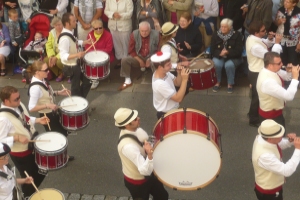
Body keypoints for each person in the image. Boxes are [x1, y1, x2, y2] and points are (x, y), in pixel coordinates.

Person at [0, 86, 49, 198]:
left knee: (40, 171)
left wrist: (37, 120)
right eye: (16, 99)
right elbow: (0, 142)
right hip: (21, 154)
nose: (19, 100)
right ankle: (28, 195)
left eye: (19, 97)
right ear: (6, 101)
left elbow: (24, 119)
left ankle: (31, 192)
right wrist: (16, 138)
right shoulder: (3, 119)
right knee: (29, 177)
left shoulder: (18, 105)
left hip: (31, 147)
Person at [114, 107, 169, 199]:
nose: (138, 118)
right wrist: (150, 154)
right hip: (137, 182)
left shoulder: (134, 130)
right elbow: (144, 170)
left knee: (162, 196)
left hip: (150, 175)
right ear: (127, 125)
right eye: (135, 119)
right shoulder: (128, 146)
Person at [246, 21, 282, 127]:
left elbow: (264, 43)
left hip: (255, 71)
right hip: (257, 72)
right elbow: (270, 57)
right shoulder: (255, 46)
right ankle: (253, 119)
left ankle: (252, 114)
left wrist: (270, 39)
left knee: (255, 95)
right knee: (257, 97)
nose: (265, 32)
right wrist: (277, 43)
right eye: (263, 31)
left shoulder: (252, 38)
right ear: (256, 33)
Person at [252, 119, 300, 200]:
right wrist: (298, 150)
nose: (282, 135)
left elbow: (278, 144)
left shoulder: (263, 138)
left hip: (271, 188)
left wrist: (290, 141)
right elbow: (287, 170)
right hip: (269, 193)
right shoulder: (264, 156)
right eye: (280, 135)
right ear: (270, 139)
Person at [257, 52, 299, 127]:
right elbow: (289, 96)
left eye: (281, 62)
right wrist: (295, 78)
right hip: (271, 117)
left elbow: (286, 77)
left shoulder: (271, 70)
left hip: (276, 113)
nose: (282, 64)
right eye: (279, 63)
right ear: (270, 65)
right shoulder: (268, 82)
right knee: (277, 137)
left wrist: (289, 72)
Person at [118, 21, 160, 91]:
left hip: (152, 56)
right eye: (142, 31)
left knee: (158, 61)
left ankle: (158, 79)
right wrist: (139, 60)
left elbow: (159, 50)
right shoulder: (134, 34)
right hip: (139, 56)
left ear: (150, 30)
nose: (144, 33)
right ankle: (127, 80)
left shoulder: (156, 34)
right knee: (125, 60)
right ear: (139, 29)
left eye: (146, 31)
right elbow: (131, 50)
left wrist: (150, 59)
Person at [58, 12, 92, 98]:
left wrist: (84, 42)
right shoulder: (64, 39)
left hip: (76, 64)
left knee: (88, 81)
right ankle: (78, 105)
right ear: (67, 23)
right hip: (71, 67)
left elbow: (74, 42)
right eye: (73, 21)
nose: (76, 22)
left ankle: (80, 101)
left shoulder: (70, 32)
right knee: (75, 88)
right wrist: (77, 55)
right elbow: (63, 56)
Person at [151, 51, 190, 119]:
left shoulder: (165, 73)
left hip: (172, 110)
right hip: (166, 114)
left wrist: (179, 73)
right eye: (168, 65)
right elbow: (178, 99)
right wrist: (184, 80)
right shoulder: (159, 84)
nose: (171, 66)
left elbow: (177, 83)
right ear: (160, 67)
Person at [210, 18, 243, 93]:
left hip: (233, 57)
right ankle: (217, 82)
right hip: (219, 56)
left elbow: (239, 50)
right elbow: (212, 49)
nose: (223, 28)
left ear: (230, 27)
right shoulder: (216, 34)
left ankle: (230, 83)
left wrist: (228, 52)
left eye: (225, 27)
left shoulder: (237, 35)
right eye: (222, 26)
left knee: (229, 65)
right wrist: (219, 53)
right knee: (216, 64)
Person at [85, 19, 114, 89]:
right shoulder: (90, 35)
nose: (98, 30)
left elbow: (109, 49)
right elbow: (87, 47)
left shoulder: (108, 35)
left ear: (103, 27)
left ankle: (95, 78)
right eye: (96, 28)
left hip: (106, 55)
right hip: (93, 55)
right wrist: (95, 53)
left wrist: (97, 52)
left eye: (100, 28)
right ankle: (93, 78)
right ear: (93, 28)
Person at [104, 0, 133, 69]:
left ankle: (127, 61)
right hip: (113, 26)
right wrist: (113, 14)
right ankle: (120, 61)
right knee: (117, 44)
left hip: (124, 26)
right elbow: (106, 11)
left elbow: (130, 13)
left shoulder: (128, 1)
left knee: (126, 44)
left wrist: (120, 15)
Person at [275, 0, 300, 66]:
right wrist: (279, 21)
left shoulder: (298, 12)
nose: (285, 3)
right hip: (281, 40)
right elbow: (276, 23)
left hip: (293, 41)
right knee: (281, 61)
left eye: (288, 2)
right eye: (285, 1)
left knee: (293, 62)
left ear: (294, 4)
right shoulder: (281, 10)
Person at [45, 17, 65, 82]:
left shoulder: (66, 32)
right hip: (55, 53)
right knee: (46, 60)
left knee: (59, 62)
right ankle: (60, 73)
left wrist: (56, 58)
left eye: (59, 24)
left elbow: (65, 49)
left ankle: (68, 74)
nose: (58, 27)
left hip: (65, 53)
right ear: (53, 26)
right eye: (56, 25)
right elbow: (48, 45)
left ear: (63, 24)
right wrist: (51, 56)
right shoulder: (52, 32)